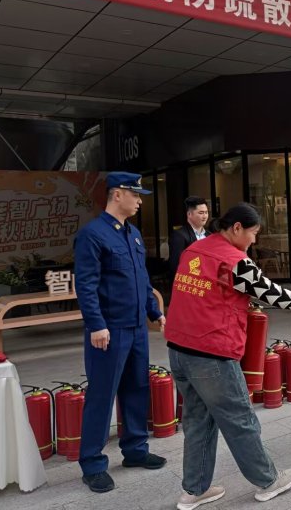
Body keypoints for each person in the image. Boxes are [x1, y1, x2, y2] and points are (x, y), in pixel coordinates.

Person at [165, 203, 291, 510]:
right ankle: (268, 481)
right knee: (240, 419)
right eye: (253, 233)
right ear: (236, 228)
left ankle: (194, 491)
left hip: (179, 350)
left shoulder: (194, 251)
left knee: (198, 421)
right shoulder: (233, 260)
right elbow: (268, 290)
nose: (254, 240)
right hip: (211, 354)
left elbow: (207, 293)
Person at [73, 172, 167, 493]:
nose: (139, 201)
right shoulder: (92, 235)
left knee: (137, 388)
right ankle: (92, 464)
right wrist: (96, 324)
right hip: (109, 330)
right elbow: (86, 285)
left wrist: (154, 311)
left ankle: (135, 449)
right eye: (135, 195)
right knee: (102, 394)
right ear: (117, 195)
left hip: (137, 327)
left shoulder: (133, 233)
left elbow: (141, 278)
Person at [168, 196, 210, 278]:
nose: (205, 216)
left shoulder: (209, 235)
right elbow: (175, 265)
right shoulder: (179, 235)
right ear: (189, 214)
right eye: (201, 213)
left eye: (206, 212)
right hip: (189, 280)